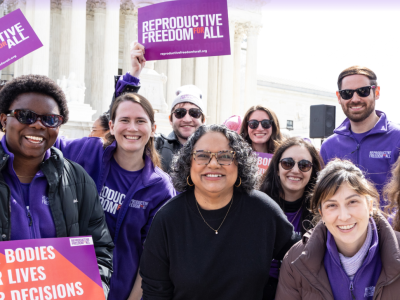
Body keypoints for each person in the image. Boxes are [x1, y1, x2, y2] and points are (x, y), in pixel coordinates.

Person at [139, 124, 299, 300]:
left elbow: (304, 256)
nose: (213, 163)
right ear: (188, 163)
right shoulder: (167, 219)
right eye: (202, 156)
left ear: (239, 163)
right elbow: (154, 293)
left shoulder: (263, 211)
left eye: (225, 156)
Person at [0, 75, 114, 298]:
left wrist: (94, 290)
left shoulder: (77, 179)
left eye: (50, 119)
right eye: (25, 116)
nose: (37, 124)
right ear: (4, 120)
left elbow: (100, 248)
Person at [55, 93, 176, 300]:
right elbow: (43, 142)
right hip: (68, 284)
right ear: (111, 126)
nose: (132, 128)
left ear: (153, 129)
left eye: (140, 121)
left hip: (119, 291)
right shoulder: (87, 151)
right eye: (124, 120)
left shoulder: (160, 187)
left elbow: (152, 258)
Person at [276, 159, 400, 300]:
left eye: (352, 202)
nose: (344, 216)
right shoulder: (295, 260)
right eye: (332, 205)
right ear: (321, 213)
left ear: (370, 206)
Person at [113, 42, 206, 173]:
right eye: (179, 113)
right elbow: (119, 122)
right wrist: (133, 75)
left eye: (194, 113)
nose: (187, 118)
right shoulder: (156, 146)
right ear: (170, 118)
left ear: (203, 119)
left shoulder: (213, 151)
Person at [320, 66, 400, 206]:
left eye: (363, 91)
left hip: (390, 227)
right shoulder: (328, 147)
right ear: (339, 97)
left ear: (377, 92)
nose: (355, 99)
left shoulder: (397, 138)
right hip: (344, 226)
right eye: (347, 93)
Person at [259, 137, 323, 299]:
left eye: (304, 165)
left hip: (300, 290)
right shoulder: (257, 204)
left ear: (313, 170)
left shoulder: (322, 209)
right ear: (277, 167)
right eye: (288, 163)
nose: (295, 170)